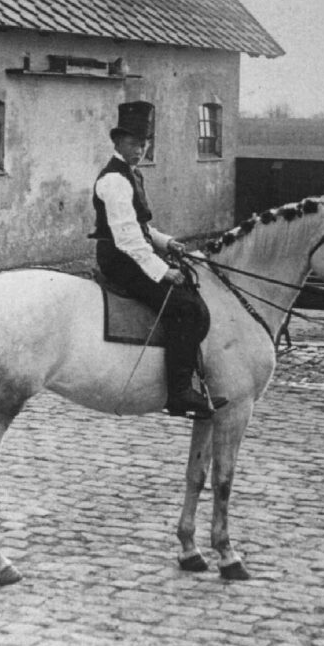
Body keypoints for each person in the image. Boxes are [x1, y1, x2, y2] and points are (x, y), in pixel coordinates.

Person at [92, 101, 225, 419]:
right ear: (118, 142)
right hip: (120, 258)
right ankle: (178, 393)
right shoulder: (114, 180)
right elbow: (126, 237)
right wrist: (162, 271)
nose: (139, 150)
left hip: (131, 251)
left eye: (143, 144)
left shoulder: (131, 174)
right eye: (133, 143)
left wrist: (167, 243)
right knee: (185, 307)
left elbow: (140, 227)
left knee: (192, 290)